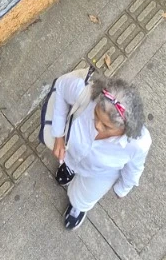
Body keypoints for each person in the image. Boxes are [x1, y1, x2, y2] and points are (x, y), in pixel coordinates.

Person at [40, 70, 151, 231]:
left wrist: (123, 188)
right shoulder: (85, 93)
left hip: (99, 174)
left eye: (106, 126)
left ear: (126, 128)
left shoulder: (138, 144)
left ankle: (77, 207)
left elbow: (135, 168)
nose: (97, 125)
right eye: (96, 115)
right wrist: (58, 135)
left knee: (84, 196)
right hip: (72, 151)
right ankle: (69, 168)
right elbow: (61, 87)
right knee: (70, 160)